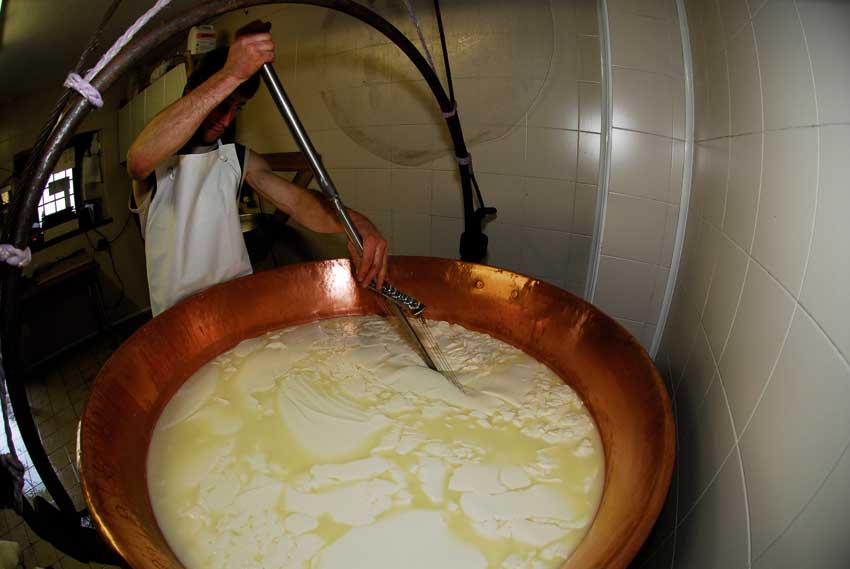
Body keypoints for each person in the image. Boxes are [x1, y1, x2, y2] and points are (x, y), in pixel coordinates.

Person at [127, 21, 388, 316]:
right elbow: (138, 159)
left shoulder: (236, 158)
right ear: (197, 92)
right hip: (180, 318)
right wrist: (230, 74)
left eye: (236, 108)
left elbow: (299, 202)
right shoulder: (157, 164)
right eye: (222, 104)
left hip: (238, 303)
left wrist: (357, 225)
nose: (226, 120)